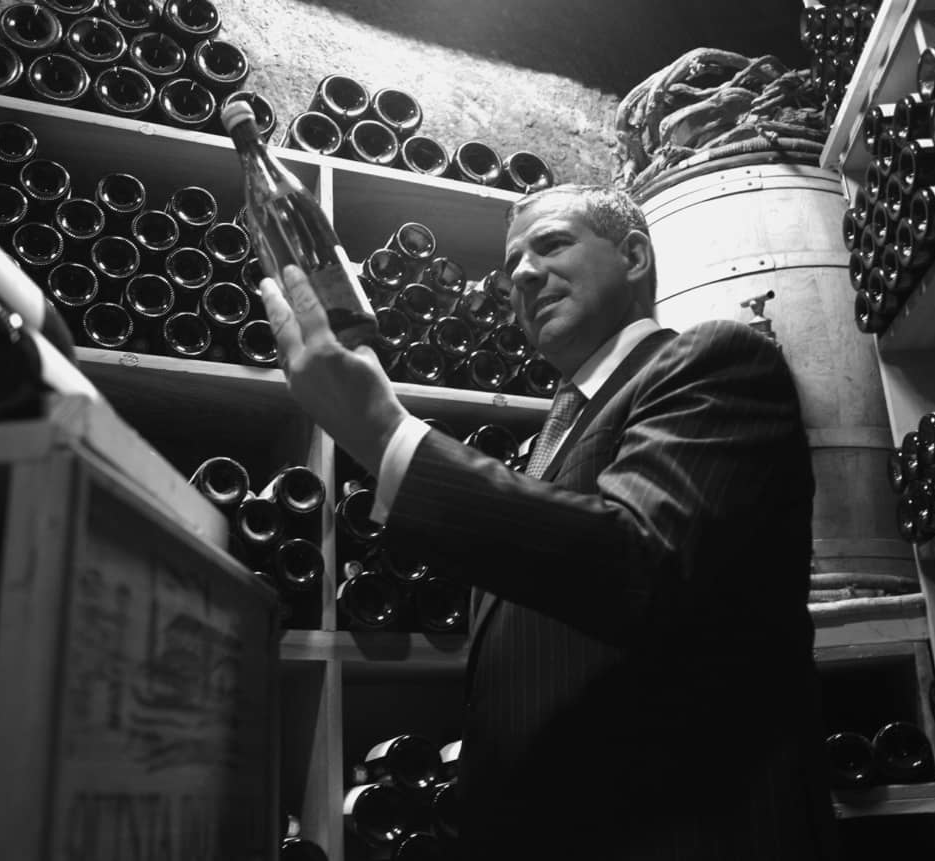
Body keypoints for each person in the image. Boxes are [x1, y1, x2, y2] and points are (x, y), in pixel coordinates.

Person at [258, 184, 837, 860]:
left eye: (553, 243)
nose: (524, 273)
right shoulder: (549, 441)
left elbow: (640, 562)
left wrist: (389, 437)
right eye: (512, 266)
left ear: (634, 256)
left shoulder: (716, 364)